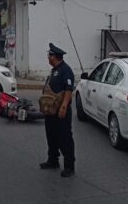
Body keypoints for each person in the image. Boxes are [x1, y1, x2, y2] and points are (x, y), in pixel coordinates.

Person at [40, 43, 76, 178]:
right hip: (50, 111)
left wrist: (64, 107)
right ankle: (53, 160)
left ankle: (69, 166)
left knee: (65, 138)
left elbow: (68, 90)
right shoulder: (54, 69)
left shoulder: (65, 70)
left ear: (54, 56)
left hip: (61, 111)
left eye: (49, 55)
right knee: (51, 136)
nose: (48, 58)